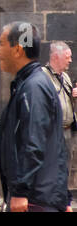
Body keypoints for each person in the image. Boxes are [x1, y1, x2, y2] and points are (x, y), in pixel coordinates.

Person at [0, 21, 71, 212]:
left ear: (18, 50)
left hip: (35, 200)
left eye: (1, 44)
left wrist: (20, 192)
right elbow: (55, 145)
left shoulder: (33, 88)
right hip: (41, 197)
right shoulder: (30, 84)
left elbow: (33, 142)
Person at [43, 40, 77, 197]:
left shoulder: (67, 77)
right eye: (67, 57)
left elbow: (68, 101)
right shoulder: (42, 76)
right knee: (51, 167)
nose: (70, 60)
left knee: (65, 167)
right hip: (52, 132)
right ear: (56, 57)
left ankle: (62, 197)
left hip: (68, 131)